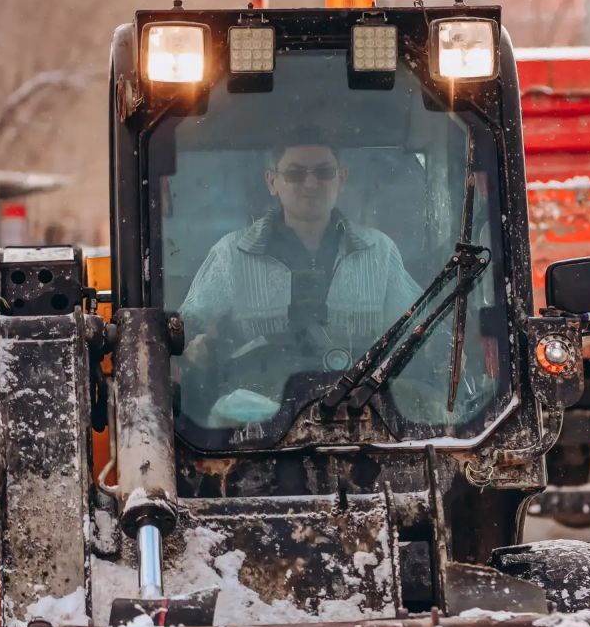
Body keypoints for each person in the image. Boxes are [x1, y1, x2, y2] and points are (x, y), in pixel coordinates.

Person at [180, 128, 422, 425]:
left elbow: (420, 332)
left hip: (365, 411)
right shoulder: (231, 254)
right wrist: (196, 350)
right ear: (272, 182)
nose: (310, 185)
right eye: (295, 174)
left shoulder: (380, 252)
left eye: (323, 172)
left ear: (341, 178)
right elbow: (184, 330)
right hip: (254, 425)